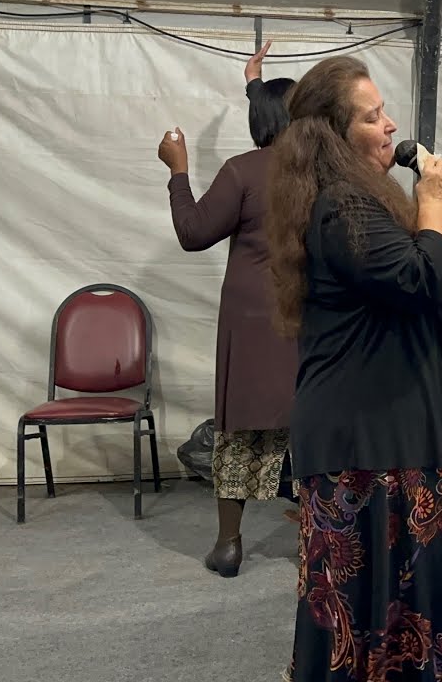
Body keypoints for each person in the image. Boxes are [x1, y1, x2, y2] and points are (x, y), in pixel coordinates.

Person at [265, 56, 442, 682]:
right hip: (367, 439)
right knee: (372, 599)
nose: (391, 126)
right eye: (372, 116)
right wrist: (432, 199)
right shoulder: (342, 206)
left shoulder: (352, 202)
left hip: (382, 431)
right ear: (335, 135)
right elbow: (418, 277)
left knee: (390, 600)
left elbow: (408, 262)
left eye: (385, 112)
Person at [156, 41, 298, 577]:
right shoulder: (324, 175)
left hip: (251, 320)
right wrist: (253, 82)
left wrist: (179, 170)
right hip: (310, 317)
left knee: (239, 429)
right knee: (310, 428)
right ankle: (325, 540)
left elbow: (193, 232)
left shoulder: (242, 171)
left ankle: (229, 544)